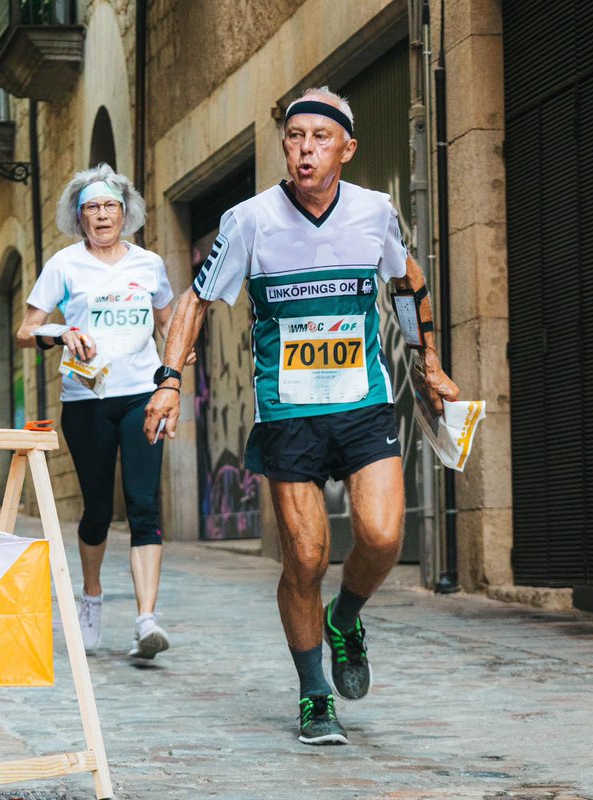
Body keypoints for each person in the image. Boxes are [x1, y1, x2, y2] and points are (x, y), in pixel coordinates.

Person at [144, 88, 459, 743]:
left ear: (347, 147)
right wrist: (170, 380)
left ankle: (347, 619)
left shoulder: (375, 212)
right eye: (294, 137)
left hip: (364, 404)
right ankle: (315, 693)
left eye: (320, 137)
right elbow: (195, 304)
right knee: (307, 558)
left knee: (380, 538)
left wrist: (425, 361)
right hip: (288, 415)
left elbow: (407, 285)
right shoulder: (249, 220)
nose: (305, 148)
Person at [16, 163, 186, 659]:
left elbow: (167, 322)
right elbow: (26, 331)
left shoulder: (149, 264)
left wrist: (175, 365)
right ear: (80, 216)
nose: (102, 215)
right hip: (86, 402)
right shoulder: (65, 266)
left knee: (143, 503)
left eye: (110, 205)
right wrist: (60, 332)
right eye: (92, 207)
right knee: (95, 509)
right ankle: (91, 596)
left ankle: (145, 620)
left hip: (142, 396)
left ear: (125, 211)